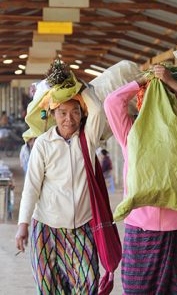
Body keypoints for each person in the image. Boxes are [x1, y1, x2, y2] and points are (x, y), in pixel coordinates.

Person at [104, 64, 177, 294]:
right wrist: (143, 81)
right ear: (143, 106)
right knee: (136, 290)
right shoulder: (130, 134)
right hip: (140, 230)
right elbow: (112, 102)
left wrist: (172, 82)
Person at [15, 66, 108, 294]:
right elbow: (31, 188)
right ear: (53, 113)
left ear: (82, 113)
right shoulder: (43, 145)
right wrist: (22, 225)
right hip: (47, 228)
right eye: (63, 112)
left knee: (88, 285)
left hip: (81, 228)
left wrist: (80, 86)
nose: (69, 119)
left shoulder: (87, 140)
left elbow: (98, 109)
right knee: (49, 288)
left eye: (75, 111)